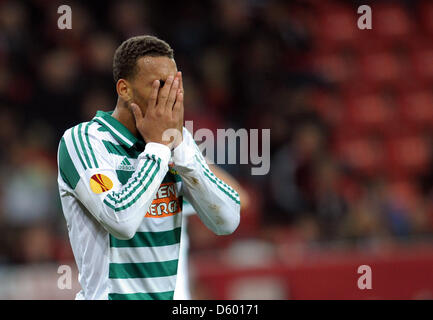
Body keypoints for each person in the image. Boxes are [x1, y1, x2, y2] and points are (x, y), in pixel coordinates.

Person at [57, 35, 240, 300]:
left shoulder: (177, 143)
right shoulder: (84, 140)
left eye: (175, 86)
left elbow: (228, 219)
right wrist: (157, 149)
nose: (169, 96)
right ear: (124, 89)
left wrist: (181, 152)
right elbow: (120, 219)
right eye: (159, 85)